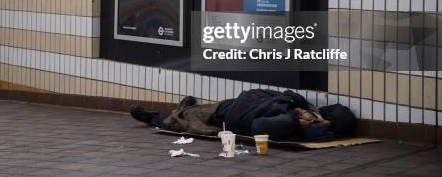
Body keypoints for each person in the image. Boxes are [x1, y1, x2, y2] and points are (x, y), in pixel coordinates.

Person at [130, 89, 355, 142]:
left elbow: (259, 125)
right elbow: (288, 95)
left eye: (309, 119)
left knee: (181, 121)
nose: (307, 115)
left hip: (227, 115)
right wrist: (310, 112)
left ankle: (154, 118)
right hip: (237, 104)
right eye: (309, 115)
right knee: (193, 111)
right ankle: (182, 107)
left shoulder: (283, 123)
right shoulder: (295, 105)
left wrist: (301, 122)